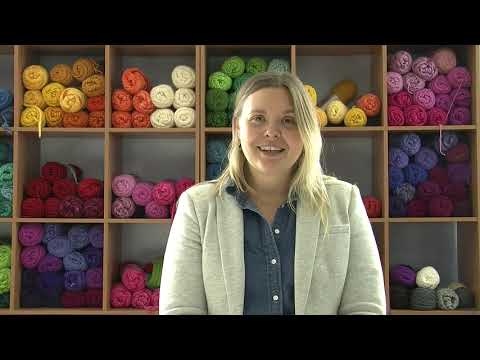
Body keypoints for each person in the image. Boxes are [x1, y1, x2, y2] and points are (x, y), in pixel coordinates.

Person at [159, 71, 386, 315]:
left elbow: (365, 307)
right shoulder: (197, 206)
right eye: (257, 118)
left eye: (288, 120)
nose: (271, 132)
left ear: (305, 130)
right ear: (237, 128)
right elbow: (180, 309)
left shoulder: (345, 201)